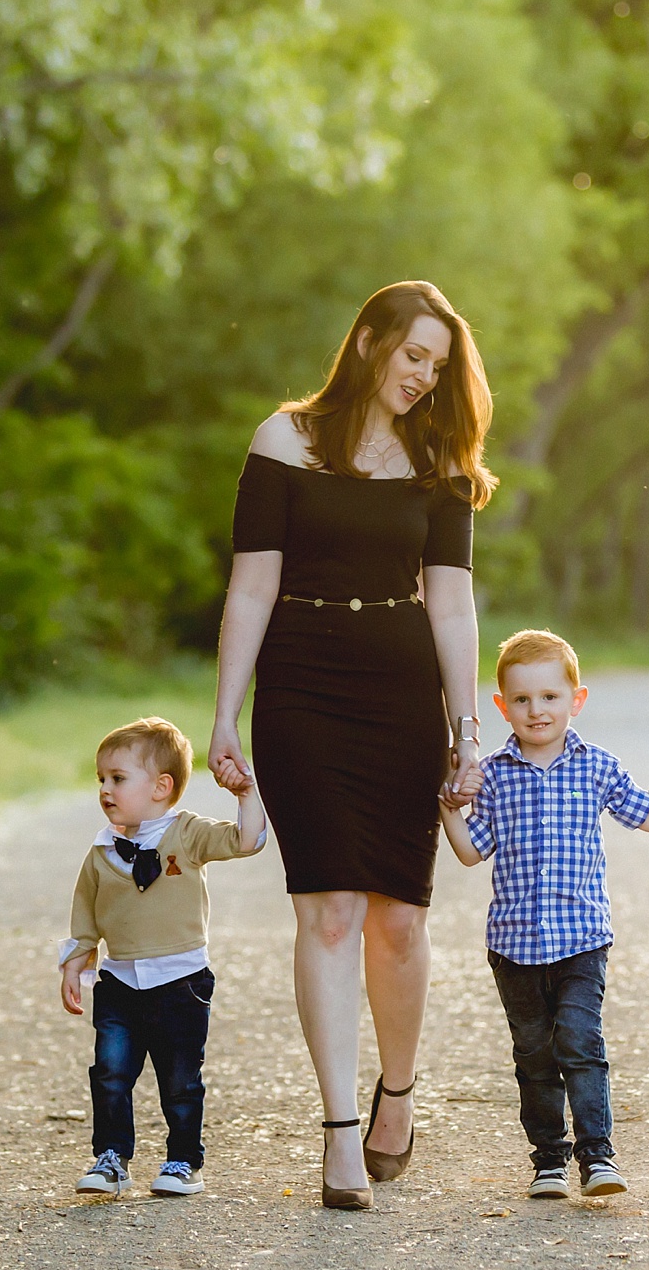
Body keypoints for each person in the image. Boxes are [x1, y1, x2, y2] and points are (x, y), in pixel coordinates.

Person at [208, 281, 497, 1211]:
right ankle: (337, 1132)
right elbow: (252, 586)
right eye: (414, 355)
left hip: (402, 691)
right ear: (369, 342)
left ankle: (397, 1094)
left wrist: (467, 729)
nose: (424, 376)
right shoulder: (282, 441)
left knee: (398, 920)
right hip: (301, 687)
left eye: (439, 365)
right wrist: (225, 713)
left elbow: (449, 598)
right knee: (328, 909)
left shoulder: (438, 456)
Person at [439, 630, 649, 1201]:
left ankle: (597, 1157)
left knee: (580, 1041)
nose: (536, 710)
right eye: (522, 700)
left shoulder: (596, 767)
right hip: (514, 947)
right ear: (501, 706)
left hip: (581, 941)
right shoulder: (496, 774)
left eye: (550, 697)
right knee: (534, 1054)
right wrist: (448, 805)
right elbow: (472, 850)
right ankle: (548, 1159)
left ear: (575, 699)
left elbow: (648, 818)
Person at [58, 717, 268, 1198]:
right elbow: (86, 910)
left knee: (180, 1080)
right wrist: (77, 959)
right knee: (110, 1073)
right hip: (119, 982)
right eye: (101, 780)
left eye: (117, 778)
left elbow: (248, 840)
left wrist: (246, 793)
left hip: (181, 980)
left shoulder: (188, 834)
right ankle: (111, 1158)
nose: (105, 790)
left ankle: (182, 1161)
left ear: (161, 786)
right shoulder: (102, 848)